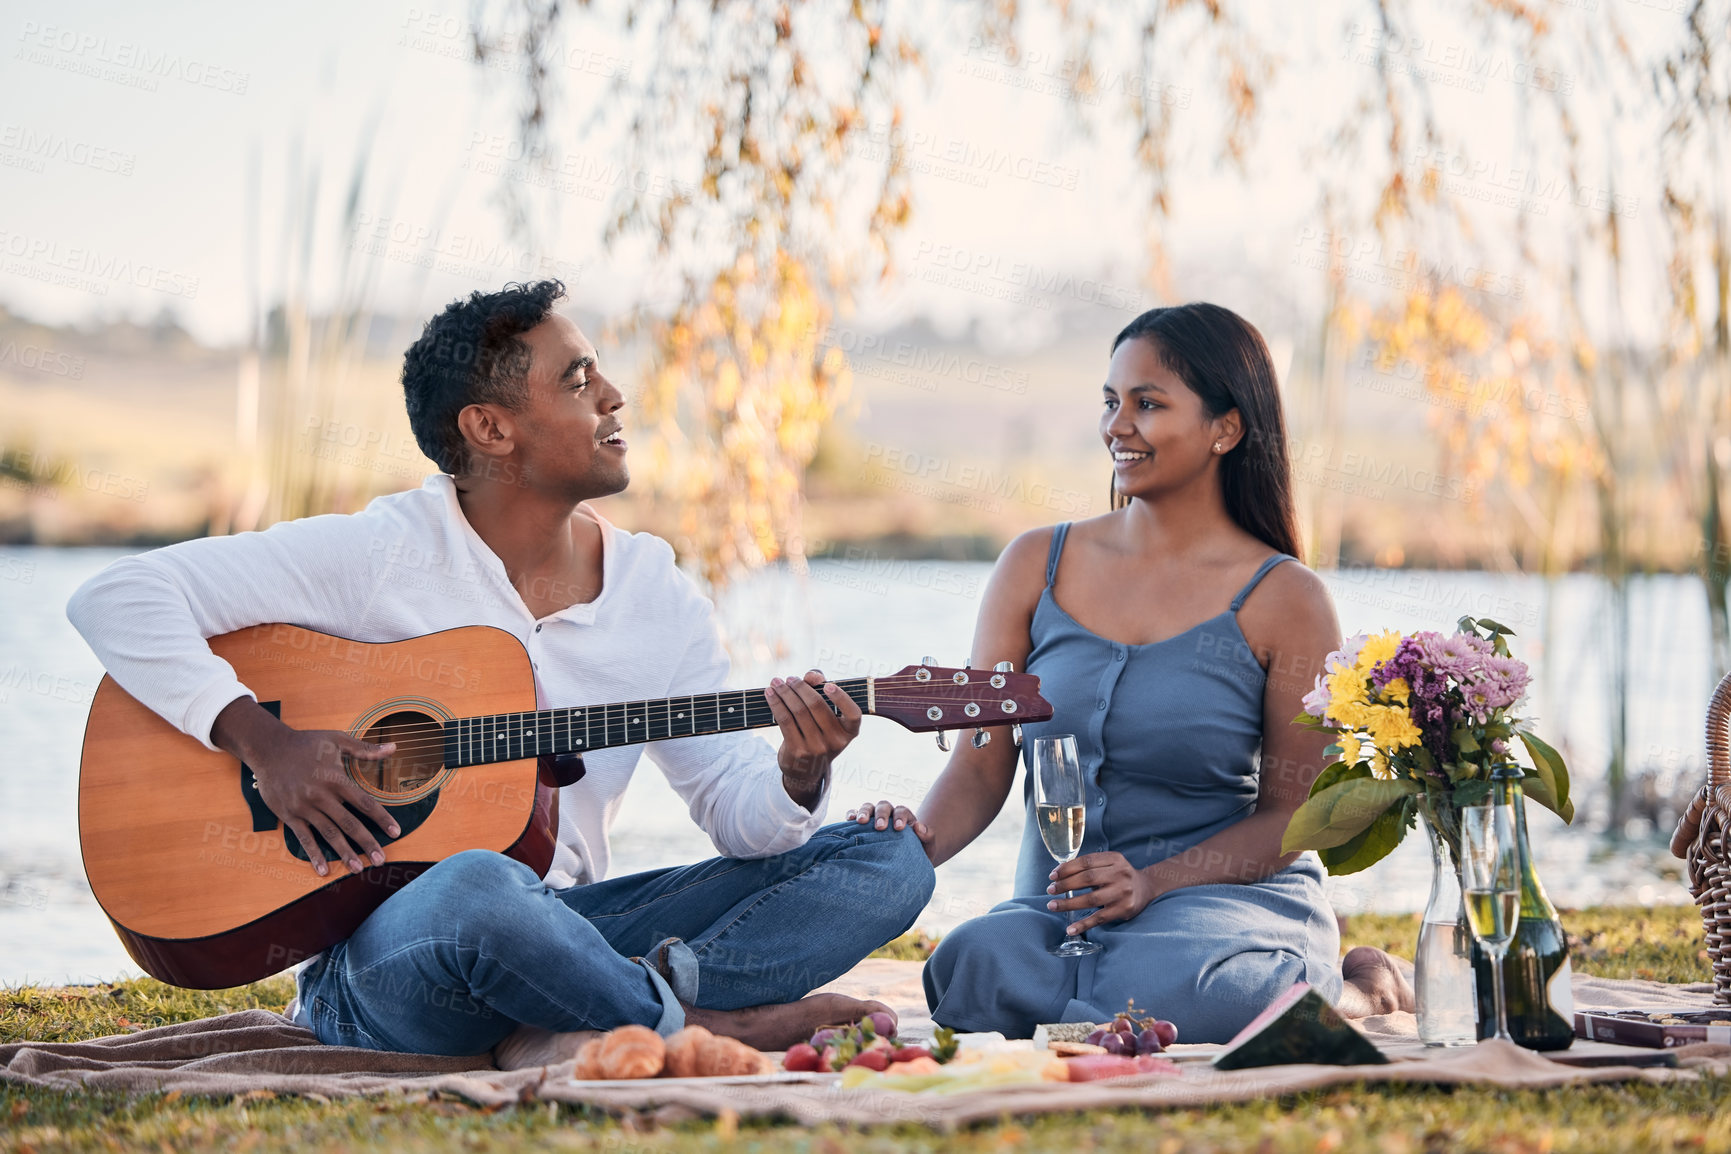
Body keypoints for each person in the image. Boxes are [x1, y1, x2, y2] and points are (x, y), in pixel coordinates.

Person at [68, 279, 934, 1065]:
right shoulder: (380, 552)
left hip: (574, 928)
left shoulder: (652, 593)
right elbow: (119, 597)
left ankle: (591, 1013)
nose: (613, 395)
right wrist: (266, 742)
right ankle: (702, 1029)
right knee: (479, 882)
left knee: (889, 861)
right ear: (489, 428)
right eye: (576, 378)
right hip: (398, 961)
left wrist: (799, 768)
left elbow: (740, 822)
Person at [849, 302, 1412, 1042]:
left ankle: (1361, 988)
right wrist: (900, 847)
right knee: (969, 969)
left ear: (1225, 428)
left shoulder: (1285, 598)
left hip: (1219, 902)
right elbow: (980, 771)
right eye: (1111, 402)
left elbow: (1292, 819)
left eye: (1148, 404)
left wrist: (1153, 881)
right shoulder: (1033, 565)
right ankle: (1094, 989)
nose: (1118, 425)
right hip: (1063, 908)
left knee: (1217, 994)